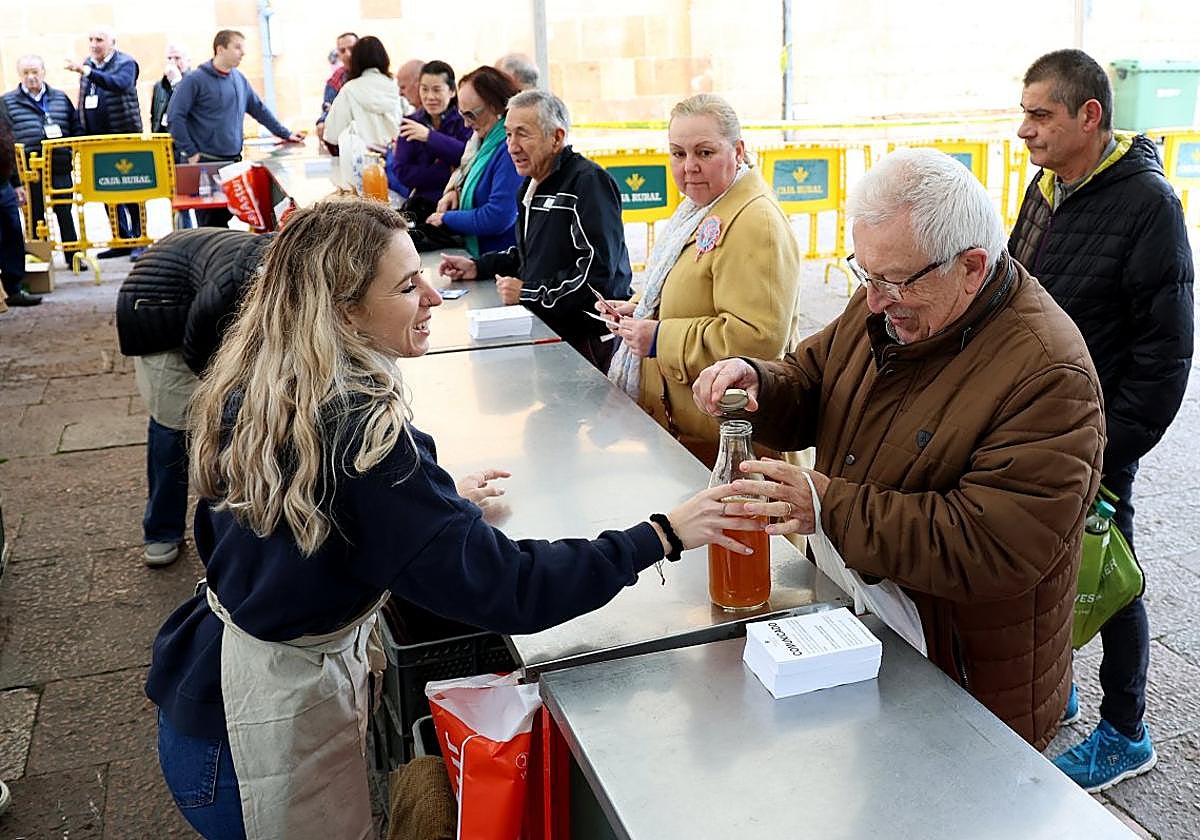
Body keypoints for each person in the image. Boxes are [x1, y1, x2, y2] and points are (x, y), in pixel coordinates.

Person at [144, 198, 747, 838]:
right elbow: (511, 588)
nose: (433, 296)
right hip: (249, 737)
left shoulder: (270, 381)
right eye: (407, 285)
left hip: (205, 689)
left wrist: (431, 504)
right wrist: (662, 534)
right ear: (345, 311)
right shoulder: (364, 437)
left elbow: (296, 523)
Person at [692, 147, 1105, 750]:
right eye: (866, 274)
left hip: (964, 674)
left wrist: (826, 506)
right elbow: (812, 380)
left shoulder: (1048, 372)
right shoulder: (888, 299)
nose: (875, 299)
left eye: (893, 281)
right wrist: (760, 383)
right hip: (870, 621)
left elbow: (996, 546)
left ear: (971, 267)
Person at [1010, 49, 1194, 791]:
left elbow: (1165, 356)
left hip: (1099, 434)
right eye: (1024, 112)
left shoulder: (1150, 205)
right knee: (1051, 563)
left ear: (1090, 116)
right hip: (1036, 425)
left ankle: (1126, 731)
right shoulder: (1048, 186)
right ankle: (1062, 685)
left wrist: (1106, 448)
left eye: (1039, 114)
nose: (1024, 129)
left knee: (1109, 573)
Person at [605, 93, 800, 463]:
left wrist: (659, 336)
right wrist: (639, 309)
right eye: (678, 153)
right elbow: (694, 290)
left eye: (704, 153)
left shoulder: (755, 221)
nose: (689, 166)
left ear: (738, 151)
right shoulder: (701, 207)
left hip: (732, 451)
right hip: (692, 436)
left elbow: (757, 341)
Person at [438, 90, 631, 371]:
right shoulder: (532, 183)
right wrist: (477, 267)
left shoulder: (588, 183)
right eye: (508, 134)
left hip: (586, 341)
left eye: (523, 134)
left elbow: (596, 276)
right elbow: (532, 252)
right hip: (549, 333)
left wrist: (527, 293)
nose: (512, 146)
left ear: (557, 138)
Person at [116, 229, 274, 566]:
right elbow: (197, 349)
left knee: (232, 419)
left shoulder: (288, 273)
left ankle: (233, 527)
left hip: (194, 294)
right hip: (155, 311)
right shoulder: (230, 288)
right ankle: (161, 529)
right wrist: (226, 395)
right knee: (175, 426)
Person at [167, 29, 303, 227]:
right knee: (210, 226)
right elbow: (174, 118)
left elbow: (260, 110)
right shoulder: (195, 80)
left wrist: (286, 134)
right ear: (220, 49)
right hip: (205, 164)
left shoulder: (239, 79)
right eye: (237, 47)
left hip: (232, 164)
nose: (242, 53)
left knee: (228, 218)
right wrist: (191, 151)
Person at [425, 66, 520, 257]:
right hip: (484, 259)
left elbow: (498, 216)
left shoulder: (509, 150)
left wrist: (447, 218)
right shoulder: (481, 145)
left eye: (471, 115)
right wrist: (456, 192)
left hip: (502, 263)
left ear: (495, 107)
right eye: (462, 115)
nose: (466, 124)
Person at [65, 28, 141, 257]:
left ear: (112, 42)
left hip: (123, 139)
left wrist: (87, 71)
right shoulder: (89, 65)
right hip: (97, 144)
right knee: (106, 193)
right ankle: (121, 240)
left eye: (99, 39)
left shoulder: (126, 63)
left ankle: (139, 240)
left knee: (132, 191)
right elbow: (84, 100)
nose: (94, 44)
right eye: (90, 39)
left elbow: (119, 84)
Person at [4, 54, 81, 252]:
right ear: (19, 75)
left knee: (65, 210)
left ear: (43, 72)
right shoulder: (7, 102)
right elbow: (5, 139)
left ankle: (73, 256)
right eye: (26, 73)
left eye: (35, 72)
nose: (31, 77)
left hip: (59, 164)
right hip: (29, 170)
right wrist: (15, 178)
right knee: (35, 215)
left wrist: (70, 152)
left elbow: (75, 127)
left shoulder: (60, 97)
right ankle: (41, 259)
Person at [388, 60, 472, 238]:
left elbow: (467, 157)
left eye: (436, 89)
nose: (429, 96)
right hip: (421, 208)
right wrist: (447, 170)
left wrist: (429, 137)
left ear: (451, 91)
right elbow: (401, 172)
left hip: (457, 210)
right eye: (424, 89)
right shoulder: (410, 122)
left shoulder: (464, 121)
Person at [322, 36, 403, 150]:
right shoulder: (396, 85)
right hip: (397, 157)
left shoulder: (349, 89)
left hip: (362, 161)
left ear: (355, 60)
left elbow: (332, 135)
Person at [0, 102, 39, 306]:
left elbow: (8, 143)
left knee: (13, 233)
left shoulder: (1, 105)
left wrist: (16, 183)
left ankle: (13, 289)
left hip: (4, 182)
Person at [315, 31, 357, 145]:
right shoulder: (335, 80)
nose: (347, 54)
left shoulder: (373, 76)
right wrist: (322, 122)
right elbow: (328, 106)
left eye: (352, 49)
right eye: (342, 51)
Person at [150, 45, 191, 133]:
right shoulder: (159, 86)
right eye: (169, 58)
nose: (173, 62)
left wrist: (177, 82)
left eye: (177, 58)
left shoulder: (195, 84)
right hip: (162, 138)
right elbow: (154, 116)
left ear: (188, 61)